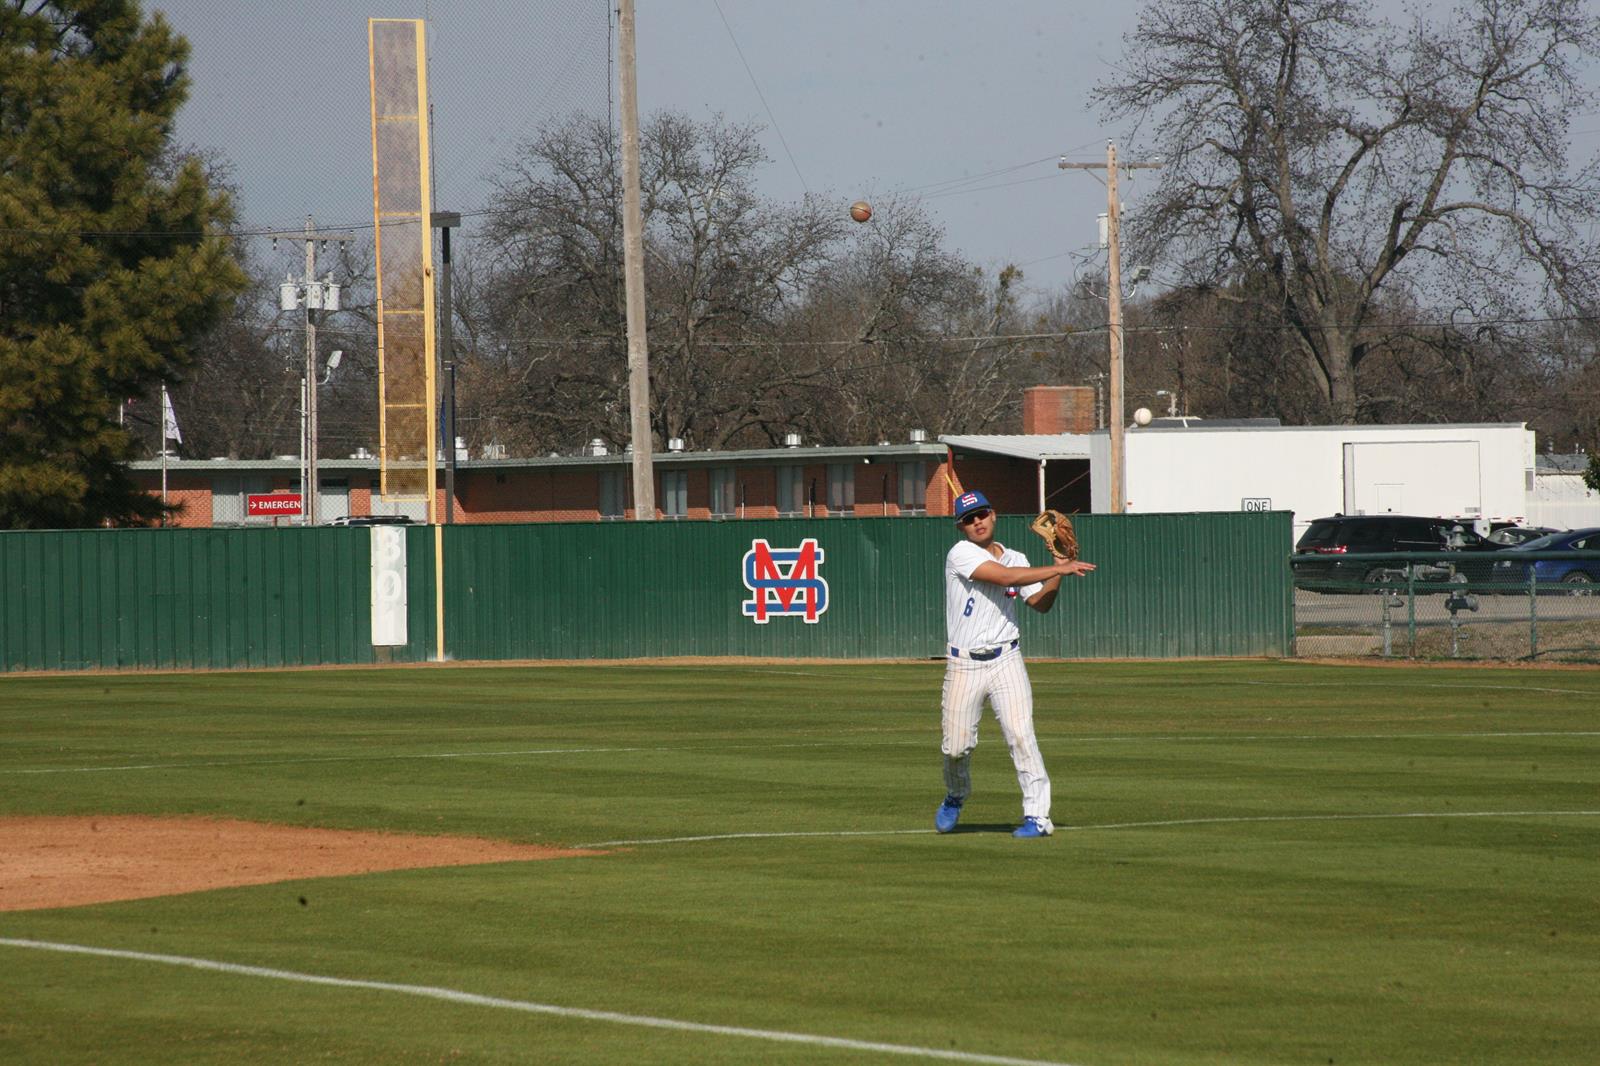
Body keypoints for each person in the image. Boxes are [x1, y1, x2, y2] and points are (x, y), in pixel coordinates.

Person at [936, 490, 1095, 838]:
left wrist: (1058, 564)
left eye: (980, 515)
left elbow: (1039, 602)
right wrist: (1059, 566)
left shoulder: (1017, 556)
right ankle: (957, 794)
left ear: (993, 515)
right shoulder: (960, 554)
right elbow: (1006, 578)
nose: (976, 522)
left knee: (1022, 736)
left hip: (1006, 658)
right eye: (968, 519)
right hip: (965, 664)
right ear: (961, 527)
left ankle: (1038, 817)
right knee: (956, 746)